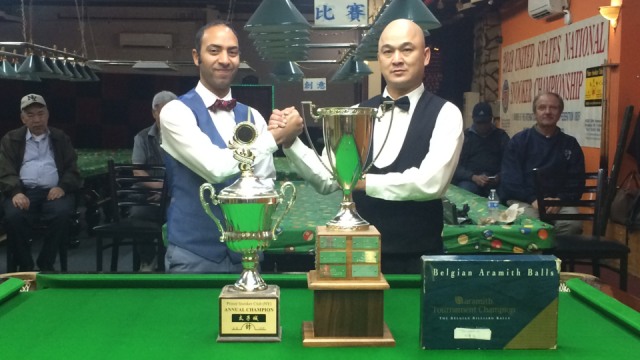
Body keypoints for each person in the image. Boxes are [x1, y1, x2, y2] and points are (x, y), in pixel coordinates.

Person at [269, 19, 464, 274]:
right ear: (379, 59)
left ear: (425, 56)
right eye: (387, 51)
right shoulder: (354, 113)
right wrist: (291, 141)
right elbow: (328, 178)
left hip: (418, 260)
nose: (397, 59)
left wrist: (363, 182)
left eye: (407, 49)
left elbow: (431, 182)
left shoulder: (446, 114)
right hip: (357, 256)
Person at [159, 21, 300, 273]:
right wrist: (274, 137)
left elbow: (266, 180)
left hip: (248, 253)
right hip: (194, 254)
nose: (225, 59)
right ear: (196, 57)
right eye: (214, 51)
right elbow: (215, 168)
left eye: (232, 52)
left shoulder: (253, 115)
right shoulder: (175, 112)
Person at [0, 94, 81, 271]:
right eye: (30, 115)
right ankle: (26, 265)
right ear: (23, 119)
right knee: (13, 217)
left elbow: (72, 170)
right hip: (23, 192)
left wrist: (62, 187)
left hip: (53, 192)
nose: (37, 119)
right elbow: (5, 171)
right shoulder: (11, 139)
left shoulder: (60, 138)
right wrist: (16, 192)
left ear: (47, 115)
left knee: (63, 213)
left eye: (40, 114)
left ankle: (46, 261)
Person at [500, 91, 585, 235]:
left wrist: (559, 200)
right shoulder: (519, 141)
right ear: (535, 112)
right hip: (525, 201)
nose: (547, 112)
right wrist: (533, 199)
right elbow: (510, 181)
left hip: (559, 203)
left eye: (553, 108)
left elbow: (576, 182)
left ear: (560, 112)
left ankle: (556, 257)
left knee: (572, 224)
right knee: (531, 225)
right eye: (542, 107)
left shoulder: (570, 144)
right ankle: (539, 257)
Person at [129, 90, 177, 272]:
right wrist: (158, 188)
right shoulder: (142, 137)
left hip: (176, 193)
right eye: (161, 112)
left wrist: (166, 193)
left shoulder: (186, 137)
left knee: (180, 213)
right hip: (149, 192)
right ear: (154, 113)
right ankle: (148, 259)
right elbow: (137, 170)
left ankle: (172, 260)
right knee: (138, 214)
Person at [452, 102, 509, 196]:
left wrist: (499, 176)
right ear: (473, 120)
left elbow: (510, 163)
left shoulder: (501, 137)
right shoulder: (464, 137)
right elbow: (454, 166)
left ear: (491, 119)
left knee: (506, 193)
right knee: (465, 191)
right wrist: (472, 177)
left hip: (496, 182)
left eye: (485, 122)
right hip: (471, 181)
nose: (482, 126)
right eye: (479, 123)